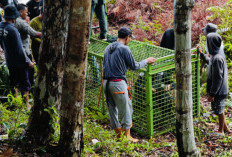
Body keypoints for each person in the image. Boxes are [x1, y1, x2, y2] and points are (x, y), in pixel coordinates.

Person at [103, 27, 156, 142]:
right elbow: (134, 66)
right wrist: (146, 61)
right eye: (130, 38)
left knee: (112, 110)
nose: (130, 40)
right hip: (117, 83)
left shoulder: (108, 47)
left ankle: (118, 135)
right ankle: (127, 136)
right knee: (126, 109)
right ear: (127, 37)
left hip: (106, 83)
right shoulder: (124, 49)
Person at [0, 5, 34, 108]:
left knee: (13, 82)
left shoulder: (1, 26)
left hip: (9, 59)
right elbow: (20, 49)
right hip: (20, 62)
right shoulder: (13, 30)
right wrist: (28, 62)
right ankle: (26, 104)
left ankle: (14, 103)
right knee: (25, 83)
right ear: (13, 17)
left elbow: (2, 44)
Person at [197, 32, 231, 135]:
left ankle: (220, 131)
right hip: (220, 90)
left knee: (219, 111)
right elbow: (209, 61)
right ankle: (225, 128)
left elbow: (218, 78)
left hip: (219, 91)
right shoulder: (215, 55)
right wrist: (201, 54)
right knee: (220, 108)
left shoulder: (217, 58)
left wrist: (212, 94)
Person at [15, 3, 41, 86]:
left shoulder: (13, 21)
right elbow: (35, 34)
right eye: (26, 12)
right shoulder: (21, 23)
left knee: (19, 76)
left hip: (16, 52)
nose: (27, 14)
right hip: (25, 52)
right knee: (29, 74)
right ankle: (28, 92)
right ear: (21, 12)